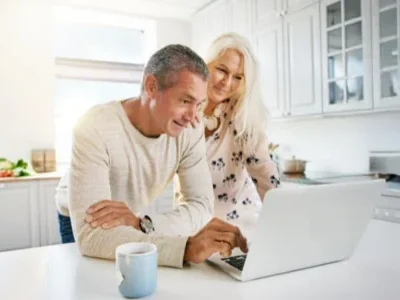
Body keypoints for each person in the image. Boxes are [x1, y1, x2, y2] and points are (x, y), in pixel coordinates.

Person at [56, 44, 248, 268]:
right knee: (95, 281)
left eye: (199, 104)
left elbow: (201, 207)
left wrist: (142, 223)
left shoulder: (190, 129)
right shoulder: (95, 125)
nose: (192, 116)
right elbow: (93, 238)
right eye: (185, 101)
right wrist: (185, 249)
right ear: (151, 86)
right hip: (80, 217)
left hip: (131, 216)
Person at [180, 33, 281, 224]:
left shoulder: (243, 117)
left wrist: (284, 217)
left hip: (239, 227)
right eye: (222, 70)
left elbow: (265, 175)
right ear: (205, 64)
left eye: (238, 77)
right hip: (190, 225)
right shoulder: (182, 112)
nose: (226, 83)